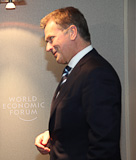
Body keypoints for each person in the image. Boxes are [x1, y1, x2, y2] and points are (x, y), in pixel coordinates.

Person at [35, 7, 121, 160]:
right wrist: (53, 135)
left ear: (72, 32)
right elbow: (80, 122)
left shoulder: (97, 74)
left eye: (51, 39)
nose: (48, 48)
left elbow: (104, 146)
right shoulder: (75, 70)